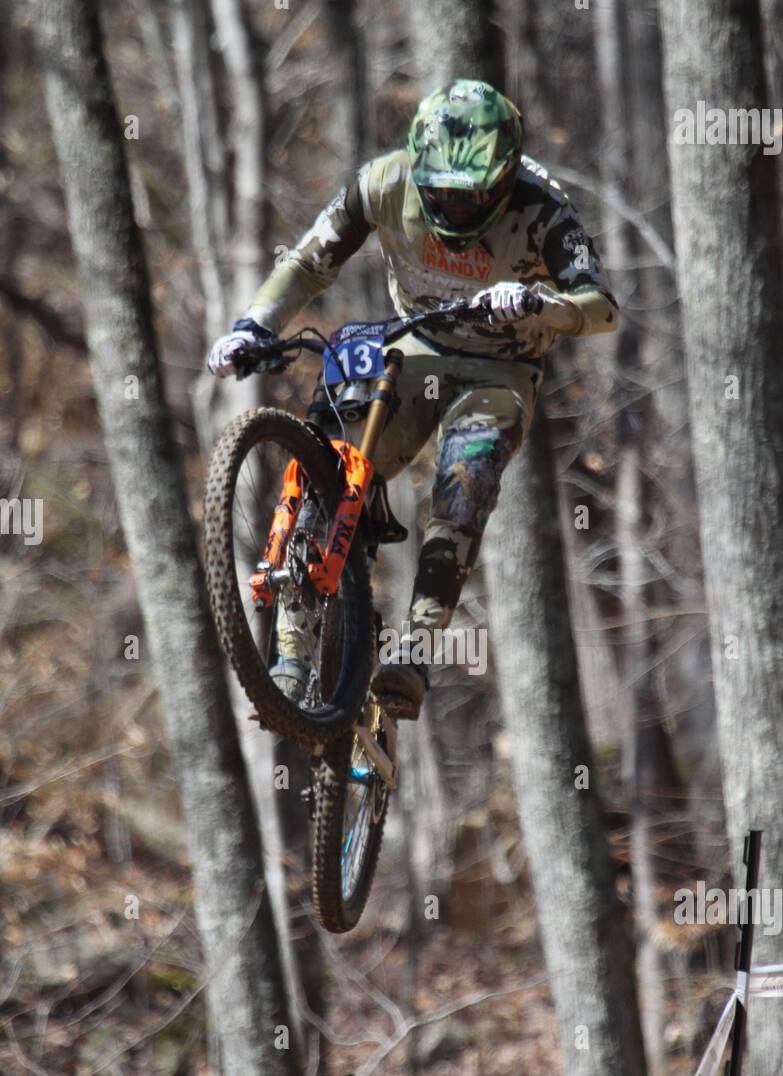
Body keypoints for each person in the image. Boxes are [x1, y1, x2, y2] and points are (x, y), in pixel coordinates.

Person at [208, 79, 618, 718]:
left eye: (472, 195)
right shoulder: (382, 182)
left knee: (465, 478)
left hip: (501, 365)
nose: (454, 208)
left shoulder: (544, 212)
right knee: (331, 450)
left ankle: (416, 649)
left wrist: (543, 302)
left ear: (505, 179)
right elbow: (312, 259)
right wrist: (254, 325)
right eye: (442, 192)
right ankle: (291, 652)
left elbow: (602, 308)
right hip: (415, 342)